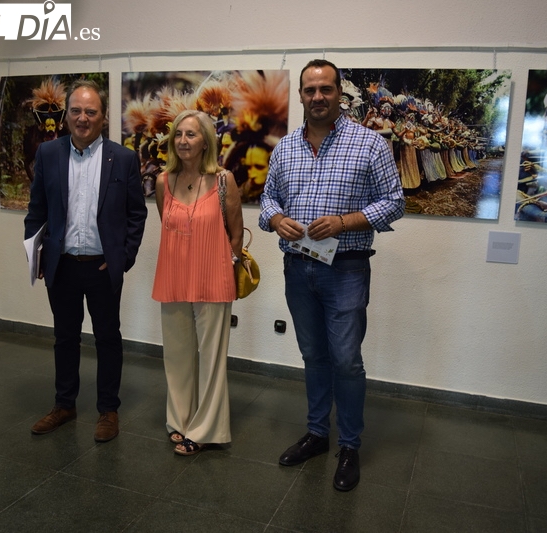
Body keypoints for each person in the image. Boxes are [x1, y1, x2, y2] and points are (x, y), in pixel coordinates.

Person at [259, 59, 405, 491]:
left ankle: (350, 445)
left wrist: (345, 222)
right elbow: (268, 196)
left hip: (346, 270)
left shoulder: (371, 145)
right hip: (297, 267)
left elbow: (395, 202)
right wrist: (275, 218)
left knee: (345, 359)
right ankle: (318, 434)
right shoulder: (285, 148)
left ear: (339, 93)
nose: (318, 97)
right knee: (313, 356)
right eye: (310, 90)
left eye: (326, 89)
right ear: (301, 95)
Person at [24, 79, 147, 443]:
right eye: (76, 111)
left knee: (108, 338)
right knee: (64, 338)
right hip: (61, 266)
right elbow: (37, 211)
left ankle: (108, 409)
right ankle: (65, 404)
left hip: (102, 266)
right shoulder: (48, 155)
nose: (82, 118)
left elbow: (136, 215)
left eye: (90, 112)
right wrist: (36, 253)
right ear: (66, 115)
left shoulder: (122, 158)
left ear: (102, 116)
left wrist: (122, 258)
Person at [151, 110, 243, 456]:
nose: (183, 141)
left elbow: (235, 234)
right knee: (176, 356)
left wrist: (224, 268)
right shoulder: (164, 181)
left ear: (206, 140)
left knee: (212, 358)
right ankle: (179, 420)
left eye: (191, 134)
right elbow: (169, 224)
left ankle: (206, 429)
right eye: (178, 135)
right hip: (173, 276)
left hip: (213, 277)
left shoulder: (223, 180)